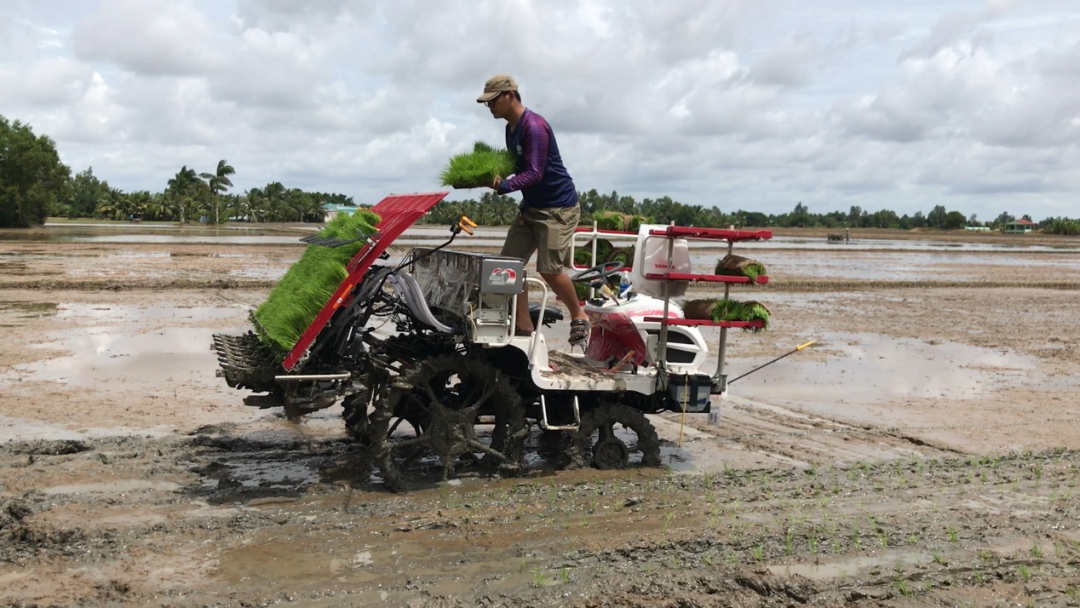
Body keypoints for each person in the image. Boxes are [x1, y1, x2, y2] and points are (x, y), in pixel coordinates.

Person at [476, 74, 589, 345]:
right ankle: (524, 328)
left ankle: (580, 315)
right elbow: (518, 167)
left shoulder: (534, 127)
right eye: (486, 102)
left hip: (557, 208)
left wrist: (503, 186)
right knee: (506, 268)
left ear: (510, 96)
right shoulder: (510, 129)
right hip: (532, 208)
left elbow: (535, 173)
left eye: (492, 101)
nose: (489, 107)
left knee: (550, 270)